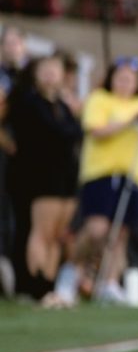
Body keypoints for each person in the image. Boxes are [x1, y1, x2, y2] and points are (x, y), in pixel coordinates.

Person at [59, 55, 138, 307]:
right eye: (120, 78)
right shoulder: (99, 100)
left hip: (132, 176)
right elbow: (96, 131)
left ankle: (110, 282)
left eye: (129, 79)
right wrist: (128, 121)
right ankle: (70, 273)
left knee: (119, 234)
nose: (124, 83)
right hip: (101, 174)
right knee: (96, 229)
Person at [3, 53, 83, 302]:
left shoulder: (62, 106)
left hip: (65, 176)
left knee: (59, 235)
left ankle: (49, 285)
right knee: (41, 232)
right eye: (45, 69)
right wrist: (10, 146)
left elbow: (73, 134)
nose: (50, 74)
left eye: (55, 70)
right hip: (39, 175)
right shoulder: (27, 100)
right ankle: (34, 284)